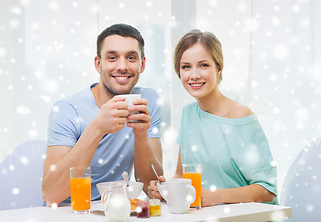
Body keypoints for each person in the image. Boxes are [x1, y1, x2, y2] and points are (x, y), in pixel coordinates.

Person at [147, 29, 278, 206]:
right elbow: (181, 175)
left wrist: (215, 197)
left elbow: (267, 190)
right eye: (186, 66)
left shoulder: (240, 116)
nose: (194, 75)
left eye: (203, 65)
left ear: (218, 68)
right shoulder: (188, 114)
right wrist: (165, 189)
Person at [42, 23, 163, 206]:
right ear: (98, 64)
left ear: (142, 64)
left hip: (116, 209)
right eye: (112, 57)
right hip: (69, 212)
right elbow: (51, 195)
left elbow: (151, 187)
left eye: (131, 57)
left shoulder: (147, 101)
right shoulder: (67, 110)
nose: (122, 66)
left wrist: (141, 134)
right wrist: (97, 127)